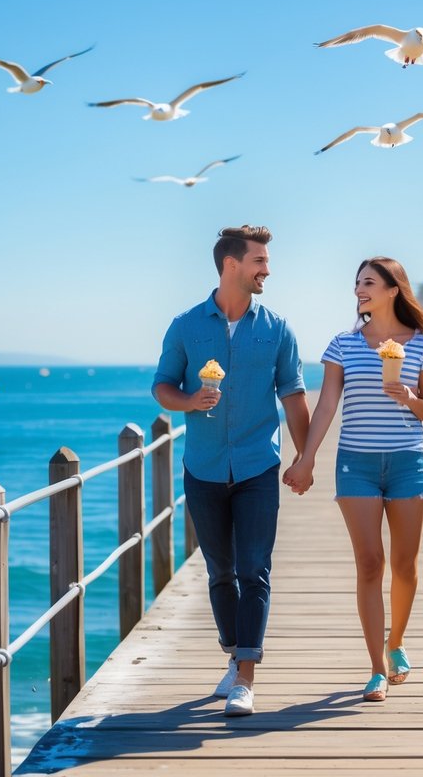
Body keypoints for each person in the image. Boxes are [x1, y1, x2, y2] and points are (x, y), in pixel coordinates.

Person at [152, 225, 310, 717]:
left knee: (254, 570)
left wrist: (305, 458)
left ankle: (246, 675)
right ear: (231, 265)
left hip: (258, 466)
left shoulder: (277, 328)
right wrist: (189, 400)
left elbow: (294, 396)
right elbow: (162, 387)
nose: (267, 269)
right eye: (259, 260)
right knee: (220, 572)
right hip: (202, 469)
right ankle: (233, 650)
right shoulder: (186, 327)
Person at [282, 257, 423, 703]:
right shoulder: (344, 345)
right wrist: (306, 459)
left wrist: (409, 397)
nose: (359, 290)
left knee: (405, 565)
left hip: (409, 460)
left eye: (368, 282)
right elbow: (327, 404)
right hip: (356, 463)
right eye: (356, 283)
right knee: (370, 563)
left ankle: (396, 643)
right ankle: (375, 668)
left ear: (393, 289)